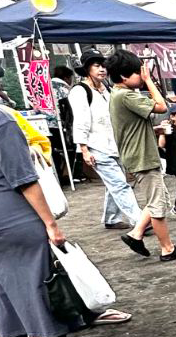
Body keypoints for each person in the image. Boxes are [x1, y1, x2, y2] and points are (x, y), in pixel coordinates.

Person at [0, 51, 91, 337]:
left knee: (1, 290)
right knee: (40, 285)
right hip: (13, 215)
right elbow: (23, 179)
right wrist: (51, 224)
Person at [106, 49, 176, 262]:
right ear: (124, 76)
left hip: (139, 154)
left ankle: (136, 234)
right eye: (138, 72)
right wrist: (149, 81)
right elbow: (162, 106)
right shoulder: (126, 95)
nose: (142, 75)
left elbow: (132, 126)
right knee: (157, 205)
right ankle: (167, 248)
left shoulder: (118, 95)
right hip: (142, 156)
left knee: (159, 198)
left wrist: (153, 131)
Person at [70, 49, 142, 232]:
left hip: (114, 144)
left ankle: (111, 218)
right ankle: (140, 221)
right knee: (119, 183)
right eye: (96, 65)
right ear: (87, 69)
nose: (102, 69)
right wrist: (84, 149)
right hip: (96, 146)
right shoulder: (80, 91)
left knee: (115, 183)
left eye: (103, 65)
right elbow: (80, 121)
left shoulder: (108, 88)